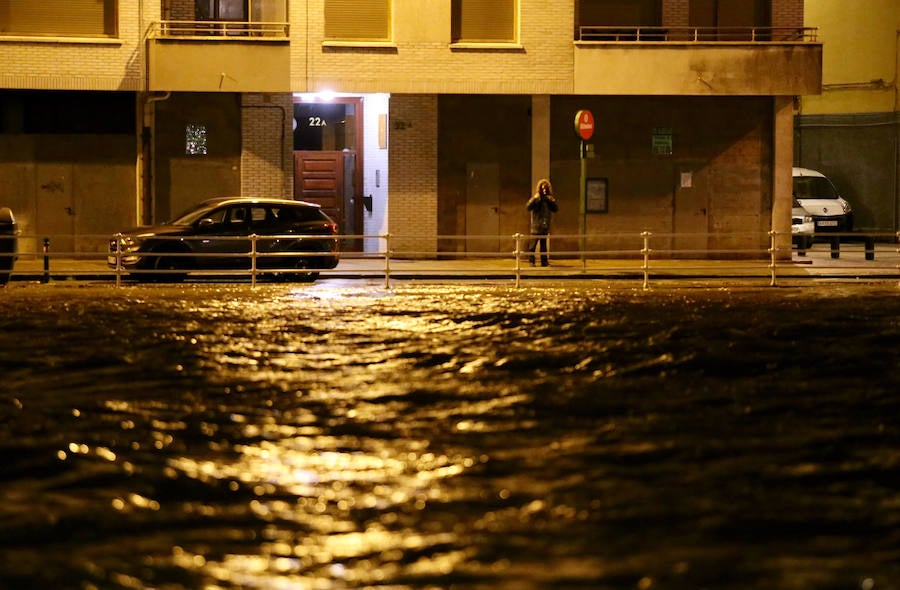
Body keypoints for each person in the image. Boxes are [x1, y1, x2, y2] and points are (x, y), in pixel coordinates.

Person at [526, 178, 558, 266]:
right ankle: (531, 261)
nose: (544, 190)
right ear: (539, 189)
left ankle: (544, 262)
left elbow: (555, 209)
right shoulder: (537, 198)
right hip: (536, 226)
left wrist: (552, 201)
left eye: (546, 188)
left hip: (544, 226)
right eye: (543, 188)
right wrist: (535, 199)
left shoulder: (548, 199)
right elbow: (528, 207)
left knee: (543, 246)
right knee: (532, 245)